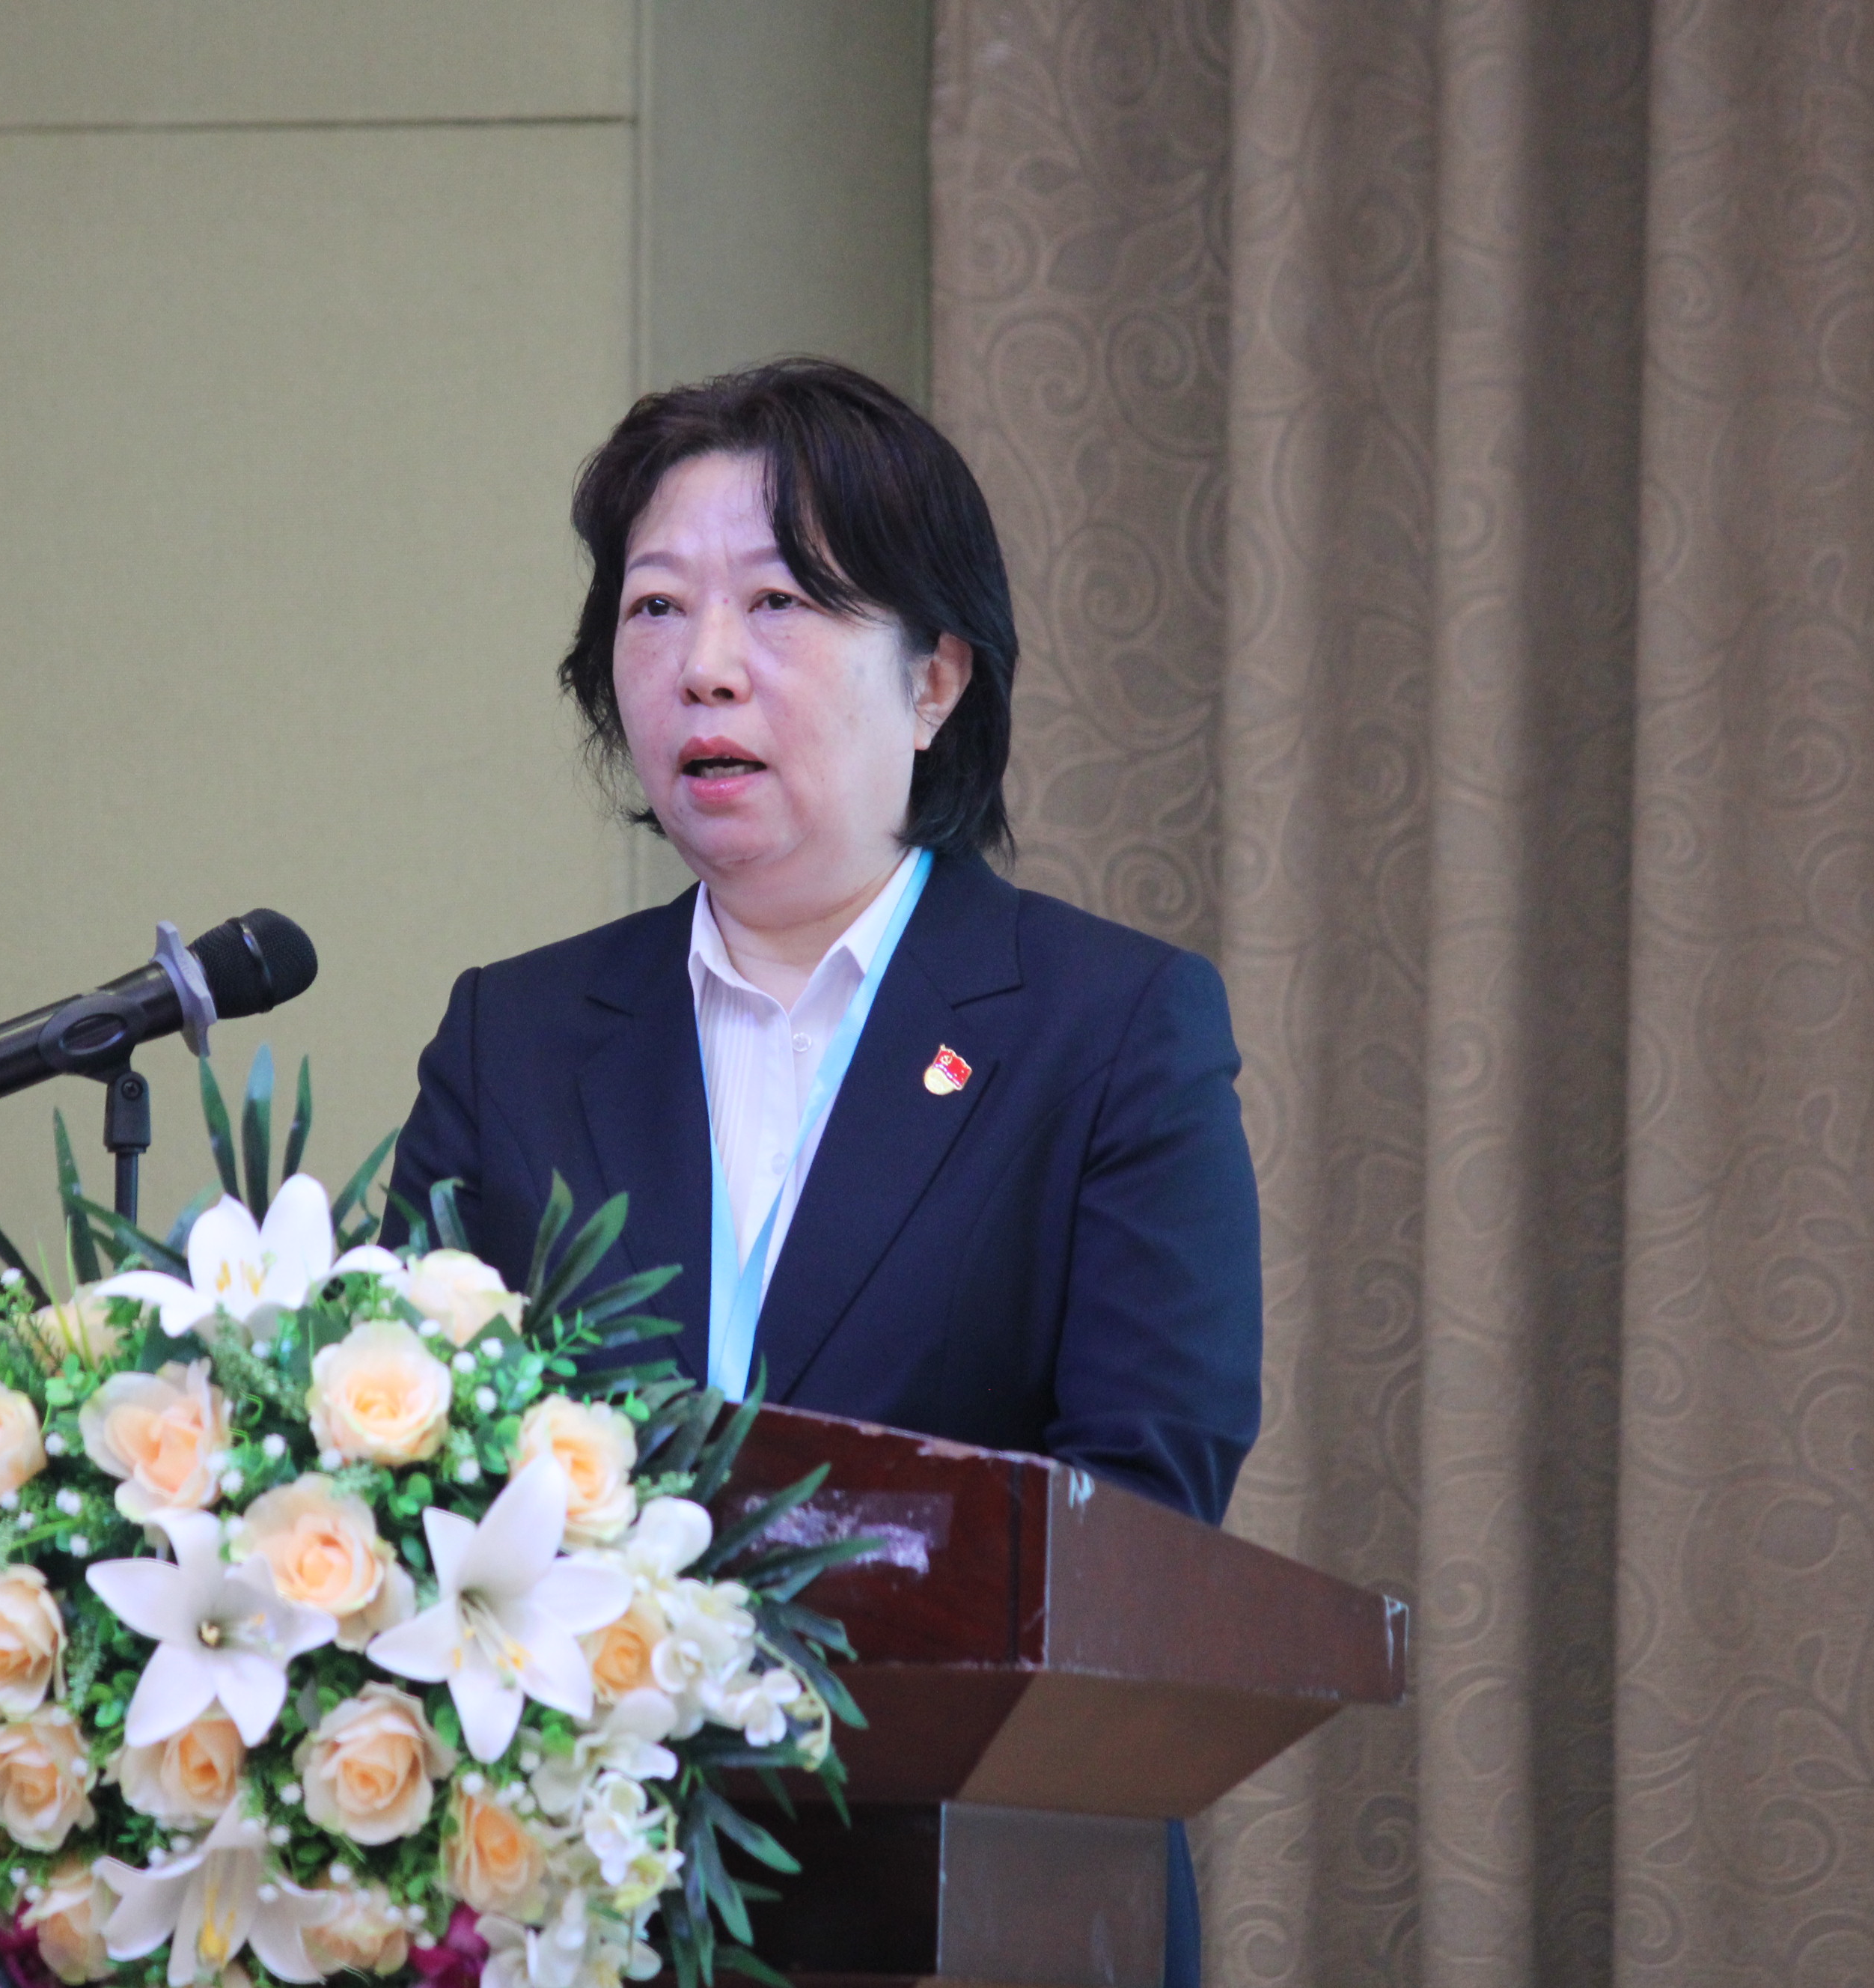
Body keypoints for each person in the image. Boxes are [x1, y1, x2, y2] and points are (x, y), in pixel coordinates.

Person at [385, 359, 1261, 1988]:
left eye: (779, 603)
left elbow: (1144, 1506)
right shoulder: (516, 1038)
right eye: (656, 608)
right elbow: (409, 1464)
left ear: (935, 680)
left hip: (982, 1889)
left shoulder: (1109, 1026)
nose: (705, 665)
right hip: (571, 1897)